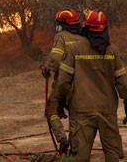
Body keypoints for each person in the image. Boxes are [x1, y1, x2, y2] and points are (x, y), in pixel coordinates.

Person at [56, 11, 127, 162]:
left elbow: (64, 81)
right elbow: (122, 82)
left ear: (86, 28)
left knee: (80, 155)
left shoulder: (75, 50)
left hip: (81, 110)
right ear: (105, 29)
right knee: (112, 152)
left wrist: (61, 101)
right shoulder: (113, 51)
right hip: (107, 109)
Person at [41, 8, 87, 154]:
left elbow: (55, 58)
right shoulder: (83, 39)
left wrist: (47, 69)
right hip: (81, 85)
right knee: (75, 116)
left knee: (51, 110)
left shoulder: (61, 37)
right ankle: (75, 150)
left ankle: (62, 139)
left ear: (62, 24)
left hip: (63, 83)